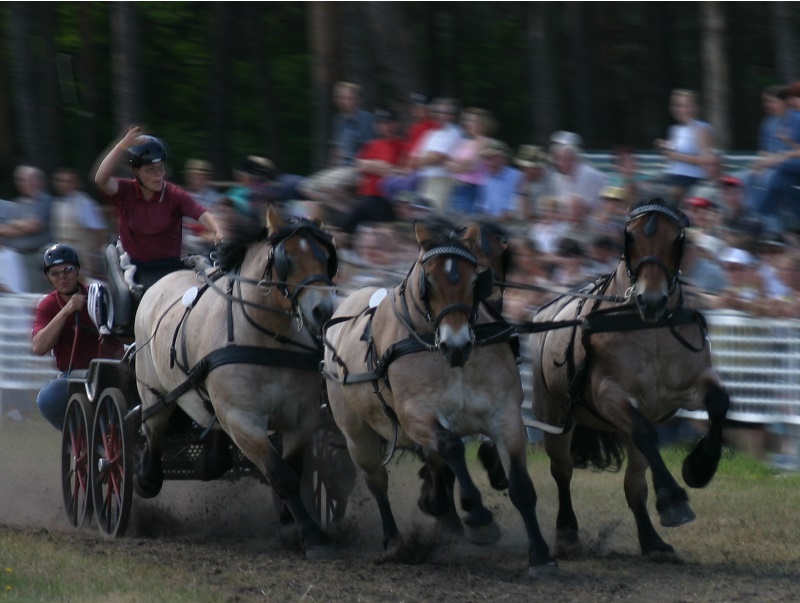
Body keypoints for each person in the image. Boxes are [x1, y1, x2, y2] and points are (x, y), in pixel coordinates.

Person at [93, 127, 223, 290]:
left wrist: (217, 231)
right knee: (127, 301)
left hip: (173, 267)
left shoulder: (174, 194)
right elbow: (100, 179)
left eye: (160, 168)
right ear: (136, 172)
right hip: (139, 270)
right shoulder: (124, 191)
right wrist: (121, 146)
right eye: (150, 170)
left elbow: (202, 213)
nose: (158, 175)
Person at [31, 244, 123, 429]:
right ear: (48, 277)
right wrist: (66, 311)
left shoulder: (100, 295)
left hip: (110, 370)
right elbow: (39, 347)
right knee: (48, 398)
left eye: (68, 270)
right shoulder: (47, 305)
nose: (62, 277)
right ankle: (79, 438)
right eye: (55, 273)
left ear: (77, 270)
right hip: (74, 376)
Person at [0, 166, 54, 293]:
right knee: (22, 290)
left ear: (39, 181)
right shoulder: (18, 203)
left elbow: (34, 226)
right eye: (22, 180)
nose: (25, 183)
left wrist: (13, 226)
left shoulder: (46, 200)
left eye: (30, 179)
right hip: (18, 257)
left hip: (40, 256)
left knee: (40, 292)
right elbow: (4, 231)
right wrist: (22, 225)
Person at [655, 89, 714, 203]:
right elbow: (671, 157)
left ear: (695, 108)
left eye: (687, 106)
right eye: (679, 106)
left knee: (670, 194)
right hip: (672, 176)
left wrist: (677, 156)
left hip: (691, 179)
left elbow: (707, 160)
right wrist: (665, 148)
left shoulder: (702, 129)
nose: (683, 110)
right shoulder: (674, 129)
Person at [51, 168, 108, 277]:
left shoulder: (85, 203)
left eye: (68, 181)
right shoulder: (57, 204)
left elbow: (98, 231)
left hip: (82, 257)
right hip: (62, 257)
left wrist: (94, 256)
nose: (63, 185)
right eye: (60, 181)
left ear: (75, 183)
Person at [445, 107, 495, 214]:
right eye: (467, 120)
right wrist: (461, 165)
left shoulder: (486, 142)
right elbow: (447, 164)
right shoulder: (464, 141)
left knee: (466, 221)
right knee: (455, 219)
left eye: (472, 121)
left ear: (483, 124)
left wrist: (458, 164)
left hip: (473, 188)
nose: (468, 123)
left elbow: (472, 167)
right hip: (457, 185)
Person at [182, 159, 224, 255]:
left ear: (207, 177)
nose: (196, 179)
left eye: (201, 176)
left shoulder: (216, 198)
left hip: (209, 243)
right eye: (193, 176)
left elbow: (219, 222)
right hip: (186, 242)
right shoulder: (183, 196)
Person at [329, 81, 375, 168]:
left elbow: (369, 148)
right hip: (340, 167)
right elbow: (336, 147)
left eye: (349, 98)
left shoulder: (366, 119)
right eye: (342, 98)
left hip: (357, 166)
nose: (345, 102)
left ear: (357, 99)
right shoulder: (338, 119)